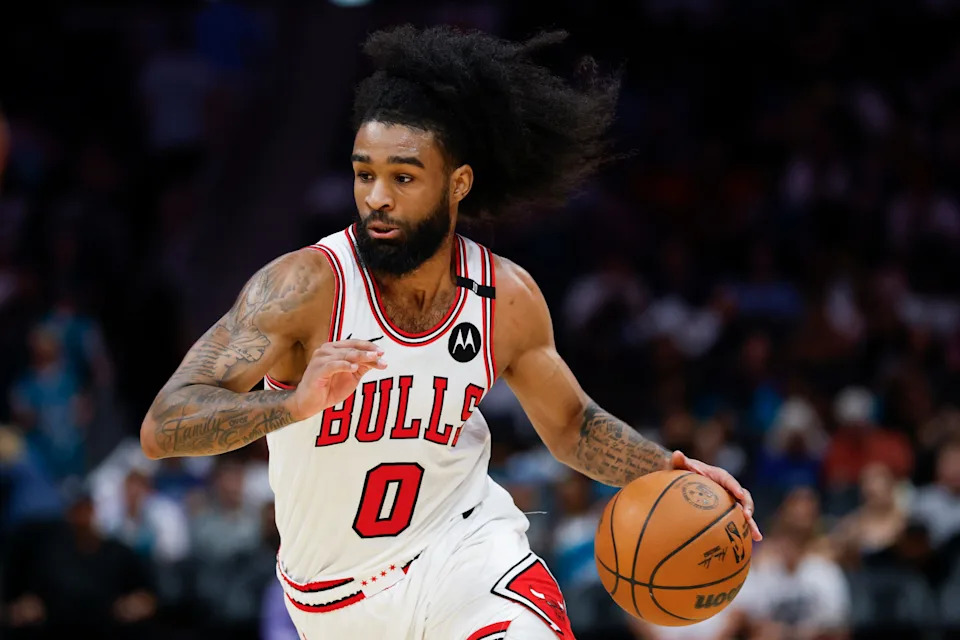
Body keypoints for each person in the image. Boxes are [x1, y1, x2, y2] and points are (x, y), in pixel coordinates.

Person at [139, 25, 760, 640]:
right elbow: (163, 426)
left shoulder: (505, 296)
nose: (377, 198)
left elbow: (572, 424)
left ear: (457, 183)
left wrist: (670, 469)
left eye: (403, 177)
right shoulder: (304, 287)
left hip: (469, 557)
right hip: (333, 602)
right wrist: (293, 404)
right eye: (364, 175)